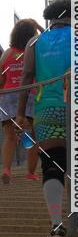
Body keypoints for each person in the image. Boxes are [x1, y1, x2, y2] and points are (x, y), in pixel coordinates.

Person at [16, 0, 78, 237]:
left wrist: (20, 112)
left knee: (52, 165)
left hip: (46, 108)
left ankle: (57, 225)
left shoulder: (35, 42)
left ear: (51, 18)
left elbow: (27, 76)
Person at [0, 18, 41, 183]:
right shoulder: (33, 50)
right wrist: (38, 25)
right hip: (29, 94)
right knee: (32, 137)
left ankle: (6, 170)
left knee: (9, 137)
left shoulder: (7, 54)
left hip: (9, 95)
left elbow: (1, 77)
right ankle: (30, 173)